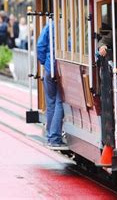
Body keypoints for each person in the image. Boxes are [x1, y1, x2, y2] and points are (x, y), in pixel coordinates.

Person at [37, 22, 68, 150]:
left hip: (49, 69)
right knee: (60, 102)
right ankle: (55, 138)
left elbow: (40, 45)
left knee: (50, 104)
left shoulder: (50, 25)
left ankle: (50, 136)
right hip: (60, 69)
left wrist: (45, 63)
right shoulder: (67, 24)